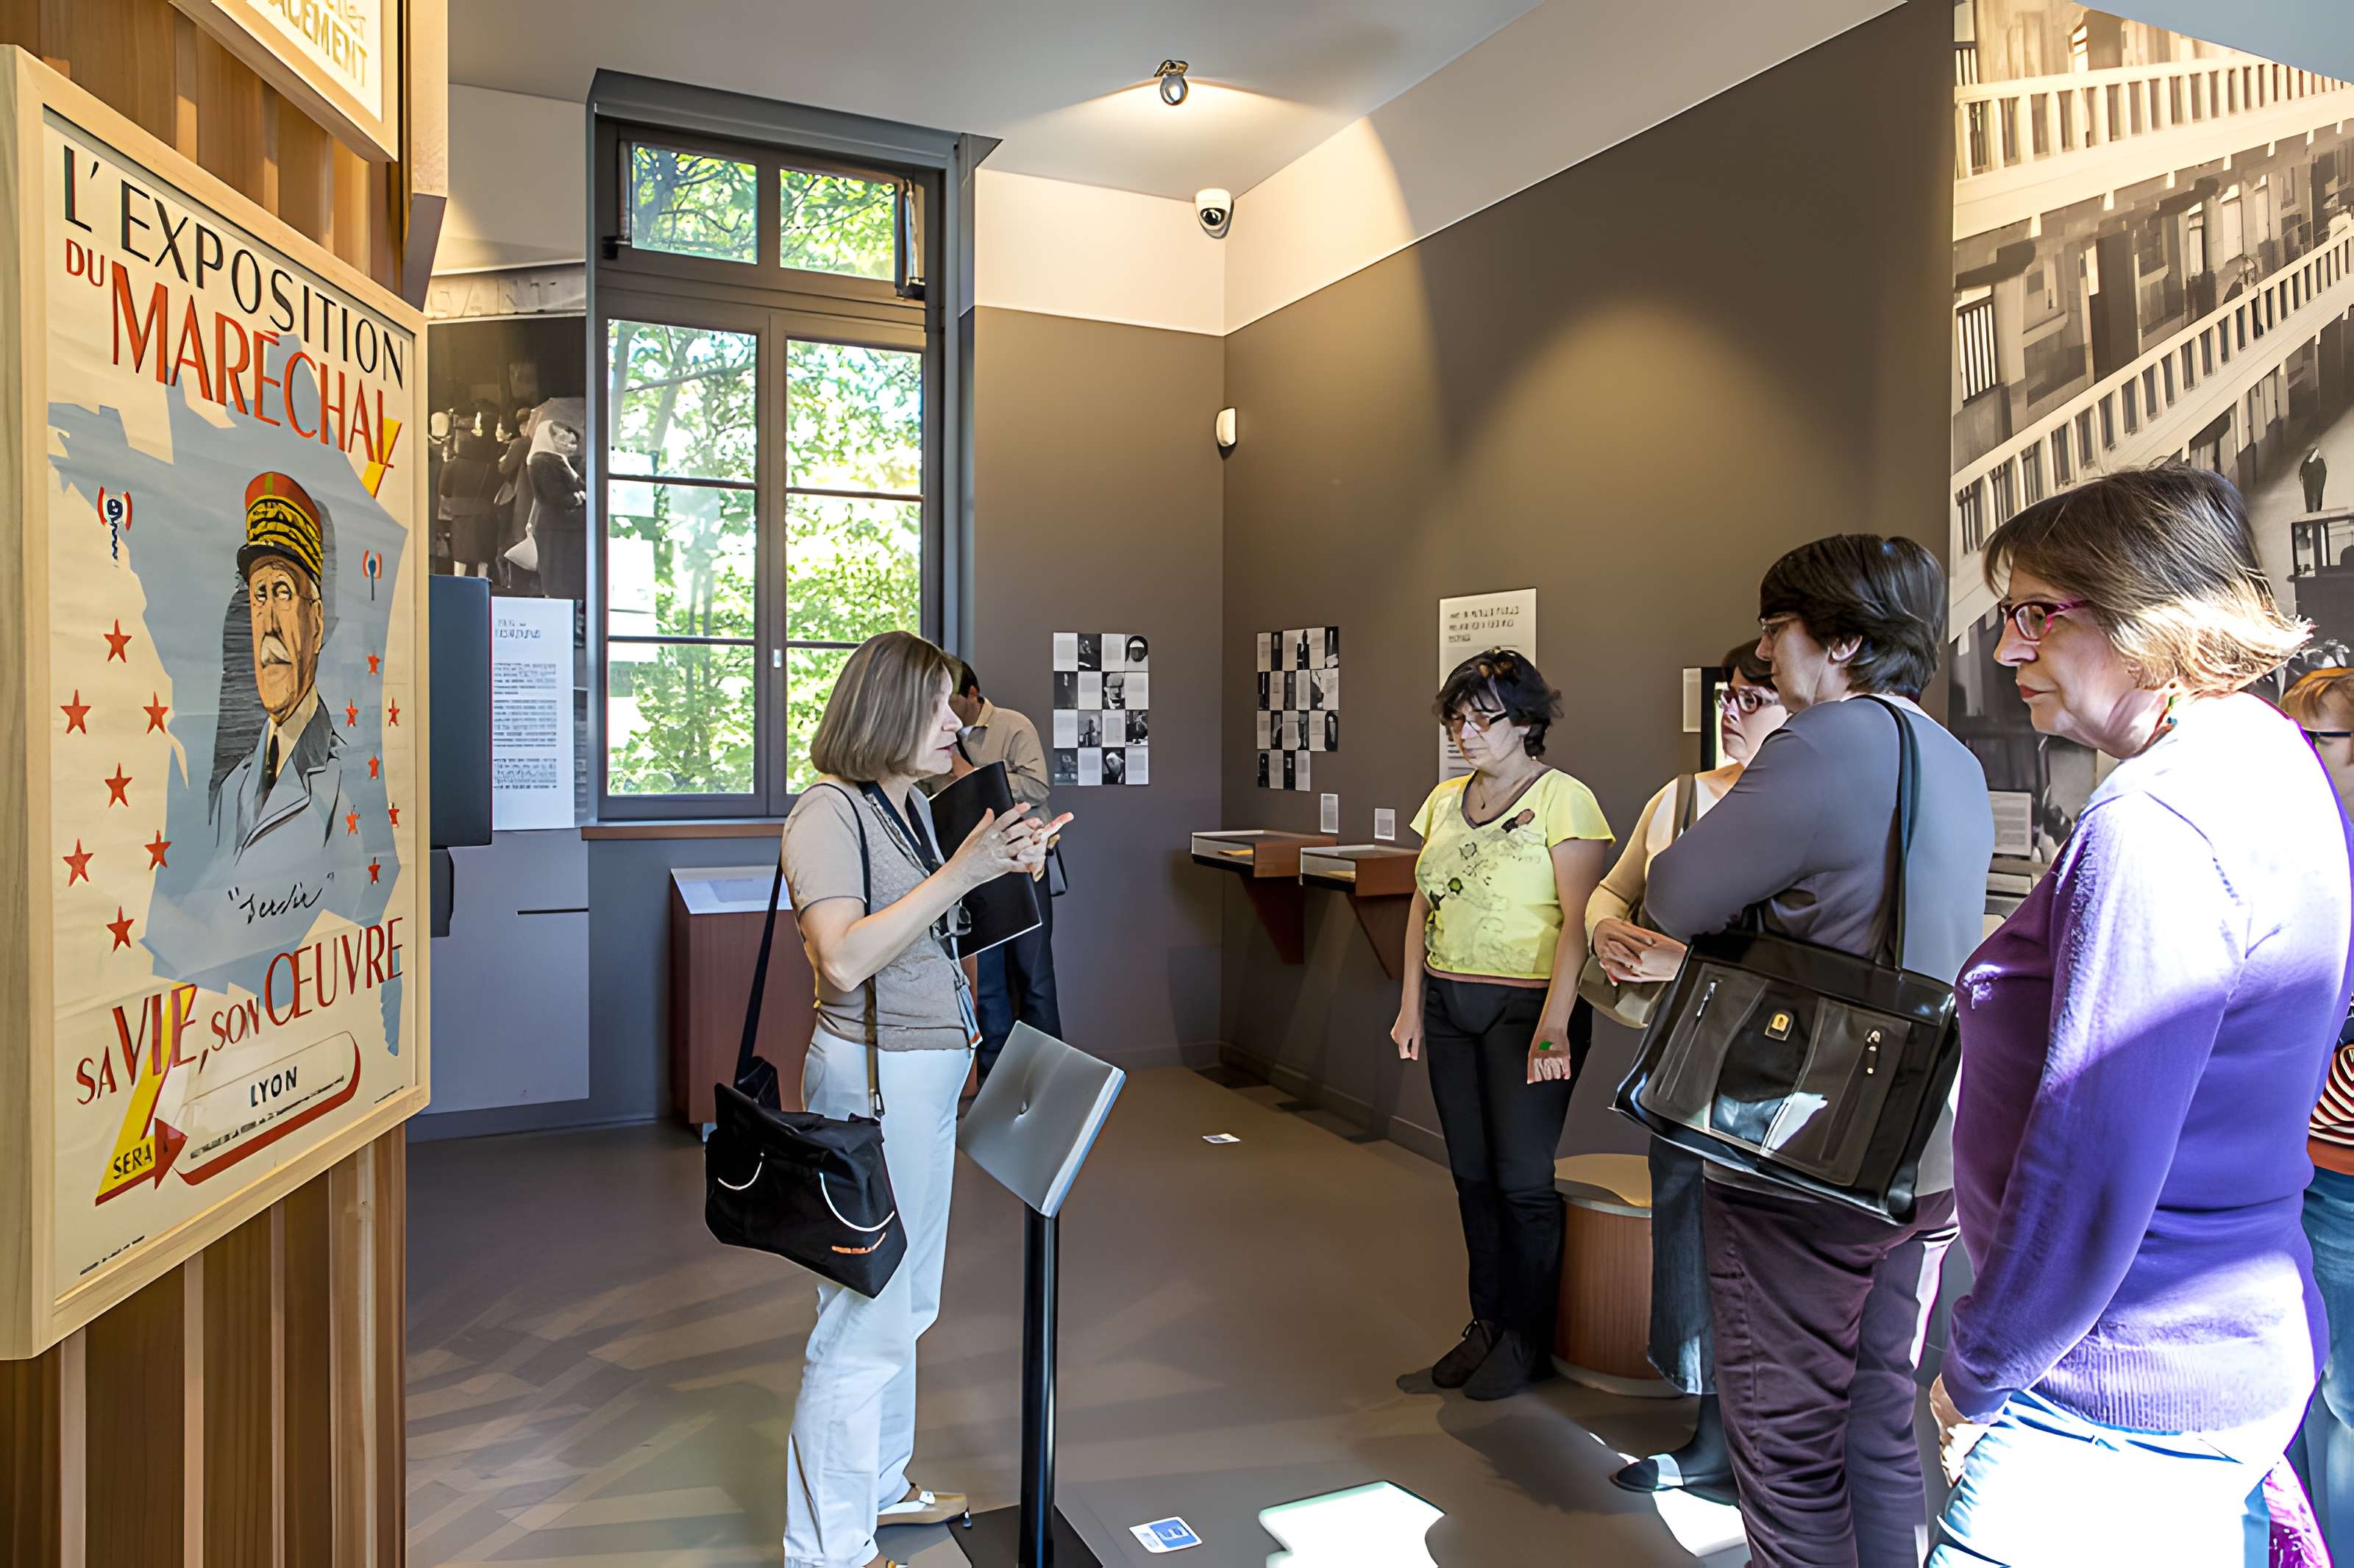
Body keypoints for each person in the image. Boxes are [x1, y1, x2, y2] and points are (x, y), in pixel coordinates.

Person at [1928, 468, 2353, 1567]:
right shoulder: (2271, 759)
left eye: (2035, 614)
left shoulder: (2156, 824)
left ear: (2146, 614)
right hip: (2218, 1340)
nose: (2008, 649)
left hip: (2110, 1386)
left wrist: (1981, 1364)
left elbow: (2089, 1159)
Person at [1644, 535, 1993, 1568]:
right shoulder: (1953, 754)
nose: (1763, 654)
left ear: (1840, 639)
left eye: (1777, 628)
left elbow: (1676, 893)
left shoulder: (1826, 740)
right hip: (1925, 1152)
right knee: (1877, 1423)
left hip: (1805, 1148)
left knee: (1788, 1446)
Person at [780, 632, 1066, 1568]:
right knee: (863, 1313)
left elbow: (933, 926)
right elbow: (845, 955)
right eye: (942, 705)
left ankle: (880, 1486)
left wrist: (1005, 870)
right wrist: (966, 871)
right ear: (891, 712)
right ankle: (827, 1548)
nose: (958, 719)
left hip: (922, 1075)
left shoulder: (903, 805)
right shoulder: (827, 812)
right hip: (873, 1083)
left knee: (906, 1301)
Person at [1587, 642, 1788, 1497]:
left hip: (1778, 1065)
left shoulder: (1808, 808)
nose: (1733, 710)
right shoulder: (1678, 797)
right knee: (1685, 1227)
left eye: (1755, 696)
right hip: (1680, 1055)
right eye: (1729, 695)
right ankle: (1707, 1426)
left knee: (1769, 1247)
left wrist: (1687, 963)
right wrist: (1603, 930)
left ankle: (1770, 1432)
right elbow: (1609, 888)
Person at [1390, 649, 1613, 1401]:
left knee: (1521, 1180)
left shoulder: (1563, 799)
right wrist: (1410, 1003)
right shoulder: (1445, 799)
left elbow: (1580, 924)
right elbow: (1424, 902)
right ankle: (1484, 1323)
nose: (1465, 731)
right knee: (1470, 1177)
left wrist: (1555, 1023)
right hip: (1451, 1004)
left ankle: (1527, 1336)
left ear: (1524, 721)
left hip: (1527, 1008)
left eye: (1481, 717)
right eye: (1456, 716)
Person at [213, 472, 353, 864]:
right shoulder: (233, 789)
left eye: (284, 593)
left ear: (317, 621)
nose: (269, 622)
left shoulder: (346, 777)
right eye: (260, 595)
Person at [940, 661, 1062, 1083]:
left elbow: (1038, 787)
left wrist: (968, 774)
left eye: (953, 698)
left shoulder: (1013, 726)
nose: (948, 710)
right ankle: (995, 1085)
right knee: (987, 986)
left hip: (1026, 869)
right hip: (971, 873)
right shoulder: (936, 736)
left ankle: (1048, 1083)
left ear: (973, 693)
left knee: (1035, 978)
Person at [527, 420, 588, 601]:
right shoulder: (542, 461)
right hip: (556, 527)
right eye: (560, 437)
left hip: (565, 527)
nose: (567, 441)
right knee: (559, 579)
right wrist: (579, 497)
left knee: (565, 578)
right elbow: (555, 496)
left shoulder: (559, 460)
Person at [2305, 445, 2330, 514]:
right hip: (2312, 485)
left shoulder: (2318, 462)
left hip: (2316, 484)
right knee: (2314, 500)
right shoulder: (2309, 463)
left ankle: (2315, 515)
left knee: (2316, 500)